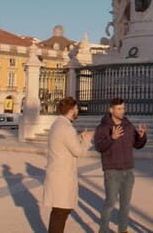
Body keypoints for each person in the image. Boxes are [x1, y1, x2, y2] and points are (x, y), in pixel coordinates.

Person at [94, 98, 148, 233]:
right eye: (119, 109)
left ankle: (123, 230)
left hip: (128, 170)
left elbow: (137, 144)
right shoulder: (102, 128)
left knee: (125, 204)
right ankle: (103, 230)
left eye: (123, 108)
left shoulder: (128, 125)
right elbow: (99, 147)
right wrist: (112, 138)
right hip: (112, 171)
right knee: (110, 203)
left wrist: (142, 136)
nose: (122, 111)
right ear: (111, 110)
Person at [42, 97, 94, 233]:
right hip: (62, 177)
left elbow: (65, 143)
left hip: (57, 174)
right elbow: (78, 152)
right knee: (61, 211)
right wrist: (87, 141)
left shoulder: (58, 124)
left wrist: (80, 137)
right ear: (71, 110)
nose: (78, 111)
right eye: (76, 109)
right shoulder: (67, 128)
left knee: (59, 211)